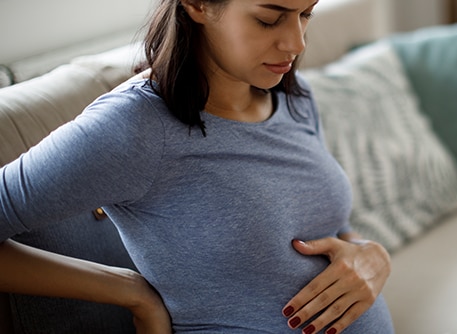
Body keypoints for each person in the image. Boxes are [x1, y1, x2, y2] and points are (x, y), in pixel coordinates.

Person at [0, 0, 395, 333]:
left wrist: (370, 254)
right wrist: (131, 292)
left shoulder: (294, 96)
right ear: (198, 5)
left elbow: (329, 227)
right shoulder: (135, 126)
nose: (296, 42)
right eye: (268, 18)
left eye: (306, 13)